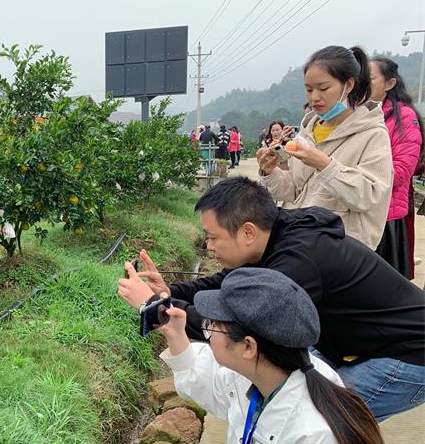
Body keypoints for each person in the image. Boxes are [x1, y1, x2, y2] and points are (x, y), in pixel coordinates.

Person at [118, 177, 425, 422]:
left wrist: (157, 307)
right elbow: (228, 285)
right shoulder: (275, 236)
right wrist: (171, 293)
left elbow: (236, 325)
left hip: (407, 353)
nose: (209, 246)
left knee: (324, 423)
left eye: (213, 237)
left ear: (247, 231)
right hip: (357, 343)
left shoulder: (298, 262)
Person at [154, 268, 405, 444]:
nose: (207, 332)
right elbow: (214, 385)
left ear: (249, 347)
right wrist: (176, 336)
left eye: (212, 325)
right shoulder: (279, 372)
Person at [258, 45, 393, 249]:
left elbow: (370, 196)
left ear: (348, 85)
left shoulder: (372, 134)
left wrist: (323, 164)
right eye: (309, 89)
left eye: (323, 88)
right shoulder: (308, 131)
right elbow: (294, 191)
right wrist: (270, 172)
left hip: (342, 251)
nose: (314, 98)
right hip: (299, 242)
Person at [370, 56, 425, 278]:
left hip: (386, 217)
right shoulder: (358, 114)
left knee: (382, 290)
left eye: (370, 78)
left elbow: (402, 172)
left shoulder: (403, 117)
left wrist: (356, 174)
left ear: (389, 84)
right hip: (358, 212)